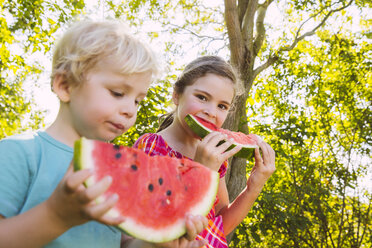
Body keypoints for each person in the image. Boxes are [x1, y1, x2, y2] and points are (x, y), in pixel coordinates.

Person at [0, 20, 208, 248]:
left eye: (137, 101)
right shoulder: (18, 152)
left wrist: (157, 243)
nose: (130, 110)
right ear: (65, 86)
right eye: (118, 93)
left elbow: (125, 244)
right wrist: (55, 216)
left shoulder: (122, 169)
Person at [134, 56, 276, 248]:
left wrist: (253, 186)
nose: (211, 112)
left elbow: (220, 225)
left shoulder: (216, 156)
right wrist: (201, 171)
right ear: (176, 95)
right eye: (202, 97)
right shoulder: (150, 147)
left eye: (222, 106)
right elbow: (149, 224)